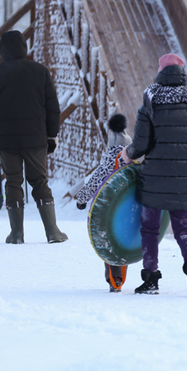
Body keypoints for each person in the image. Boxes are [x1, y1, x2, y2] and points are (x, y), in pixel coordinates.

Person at [121, 53, 187, 295]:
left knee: (150, 228)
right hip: (185, 177)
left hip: (154, 178)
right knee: (183, 227)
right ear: (182, 74)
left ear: (160, 72)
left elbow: (141, 143)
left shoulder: (150, 99)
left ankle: (151, 278)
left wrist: (128, 154)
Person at [0, 30, 68, 244]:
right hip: (35, 139)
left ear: (2, 50)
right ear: (23, 47)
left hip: (6, 141)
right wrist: (52, 135)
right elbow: (52, 107)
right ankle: (52, 232)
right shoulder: (40, 71)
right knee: (39, 181)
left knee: (13, 182)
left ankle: (17, 234)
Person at [75, 113, 132, 292]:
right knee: (124, 241)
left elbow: (94, 182)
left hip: (107, 211)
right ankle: (120, 276)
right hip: (129, 210)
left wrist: (81, 199)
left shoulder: (108, 162)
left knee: (109, 243)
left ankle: (114, 279)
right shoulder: (133, 162)